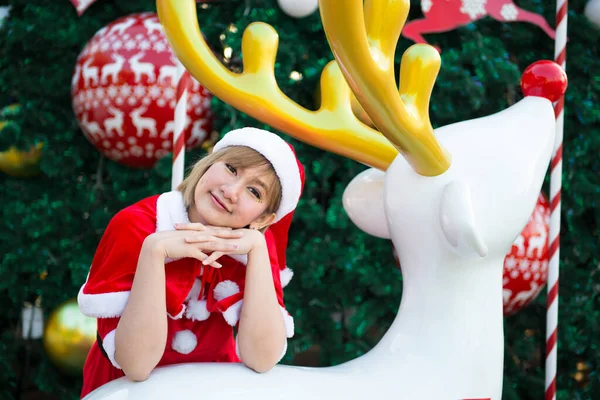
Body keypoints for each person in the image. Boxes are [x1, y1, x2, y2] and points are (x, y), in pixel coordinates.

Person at [77, 127, 304, 398]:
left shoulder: (255, 244)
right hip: (123, 389)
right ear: (210, 161)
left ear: (264, 219)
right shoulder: (134, 226)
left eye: (254, 192)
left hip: (213, 387)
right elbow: (136, 366)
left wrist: (256, 250)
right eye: (231, 168)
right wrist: (155, 251)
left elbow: (262, 359)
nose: (231, 191)